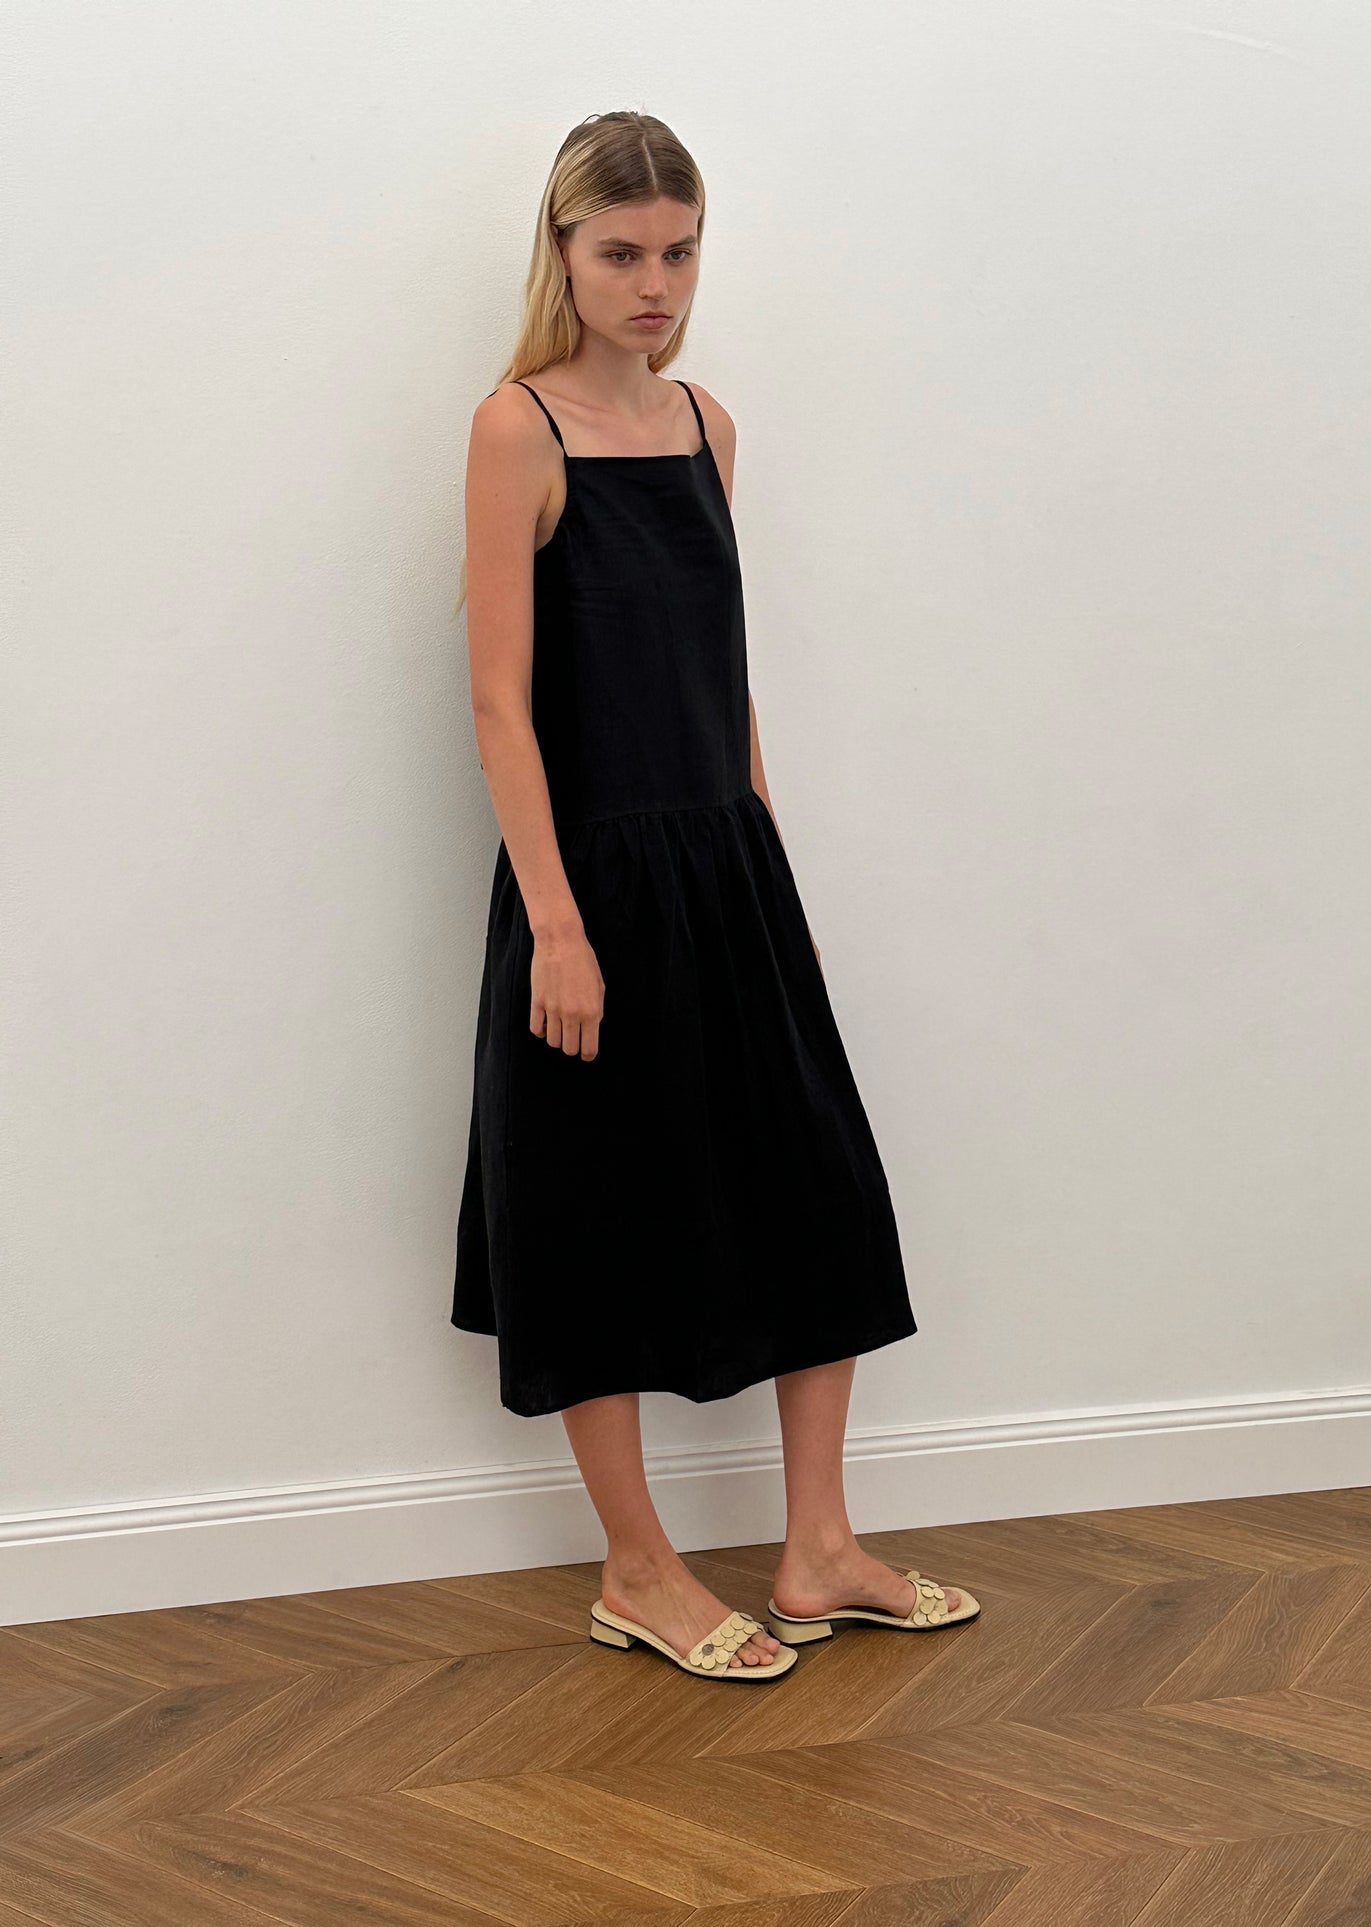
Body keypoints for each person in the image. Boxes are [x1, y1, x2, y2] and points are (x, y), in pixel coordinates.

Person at [452, 111, 979, 1682]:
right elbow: (494, 700)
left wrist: (769, 852)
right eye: (620, 254)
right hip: (592, 877)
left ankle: (816, 1547)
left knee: (810, 1184)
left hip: (727, 862)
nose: (655, 285)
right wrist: (554, 917)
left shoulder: (705, 428)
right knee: (593, 1216)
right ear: (561, 253)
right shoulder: (513, 431)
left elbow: (721, 672)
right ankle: (636, 1567)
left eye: (678, 253)